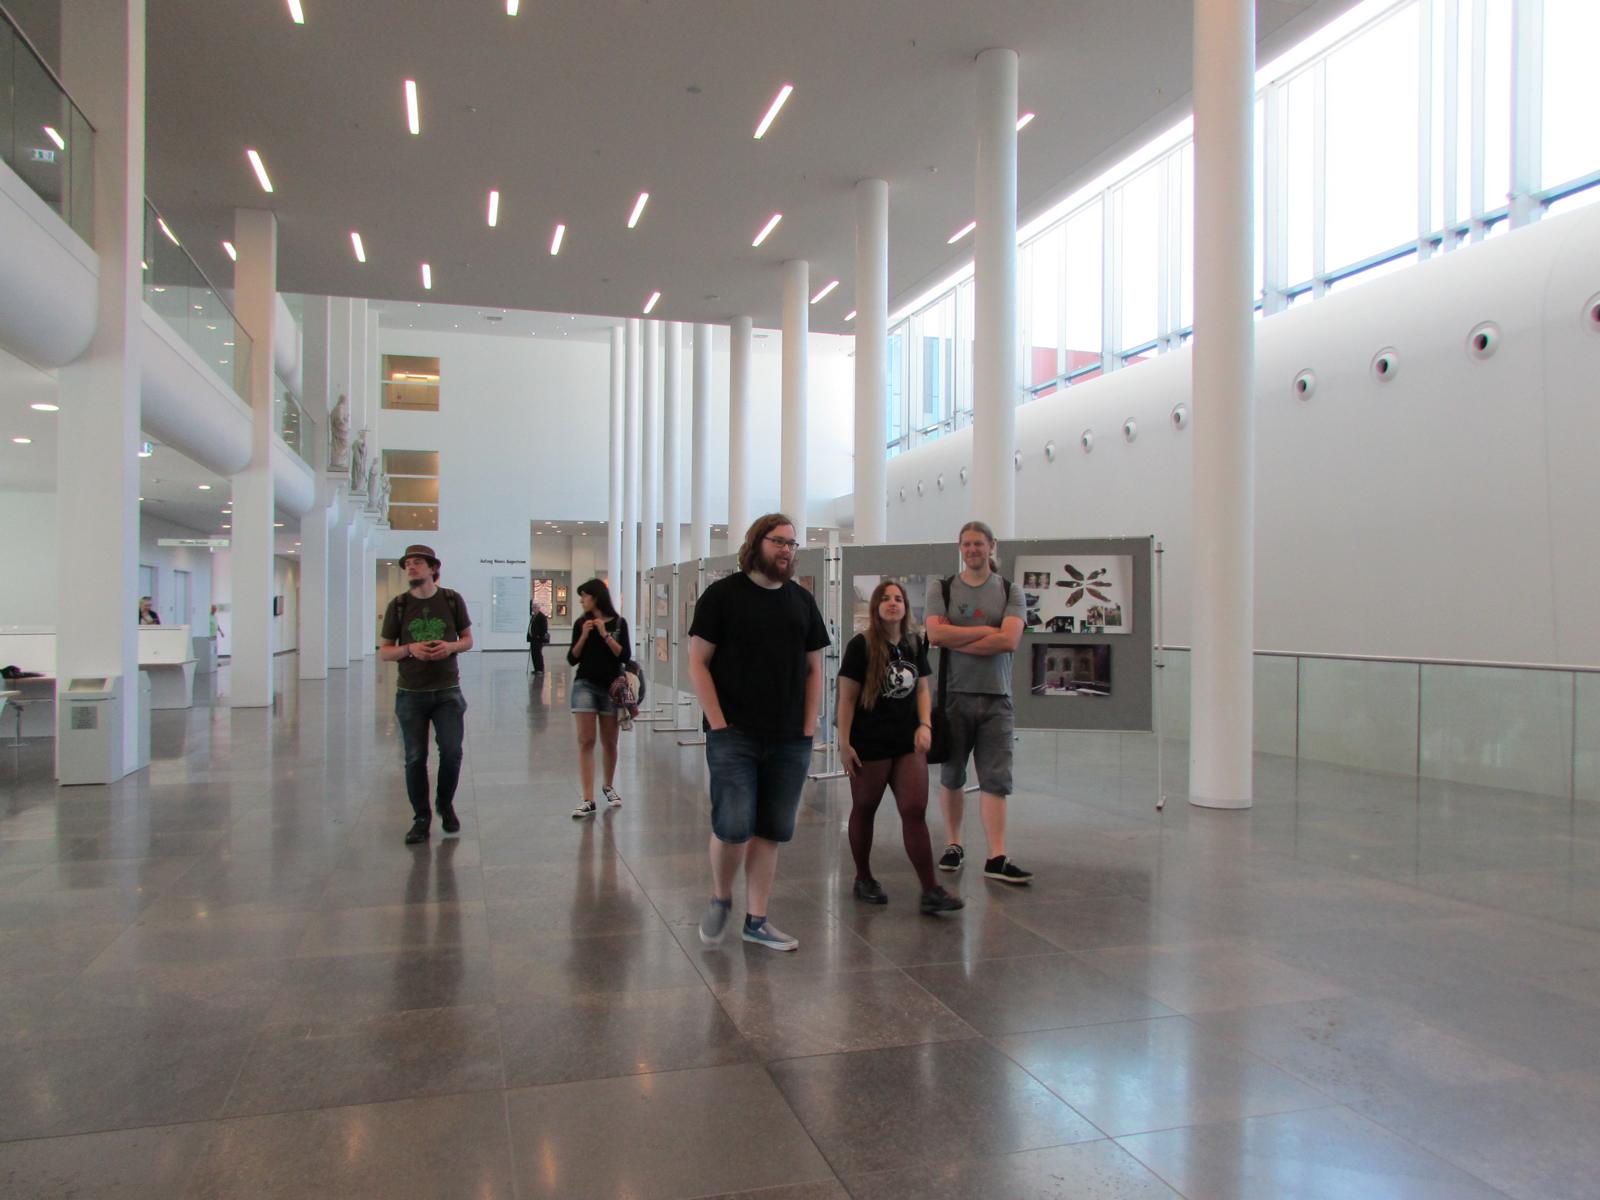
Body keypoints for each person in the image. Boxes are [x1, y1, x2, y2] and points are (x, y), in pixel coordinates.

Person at [688, 513, 829, 952]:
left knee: (770, 829)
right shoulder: (722, 596)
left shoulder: (801, 601)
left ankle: (757, 919)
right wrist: (719, 723)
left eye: (792, 544)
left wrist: (808, 727)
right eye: (779, 541)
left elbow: (814, 669)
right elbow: (697, 662)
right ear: (757, 542)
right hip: (736, 734)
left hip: (790, 737)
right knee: (733, 826)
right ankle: (721, 898)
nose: (787, 550)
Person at [837, 579, 964, 915]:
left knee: (914, 810)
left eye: (898, 599)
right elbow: (847, 698)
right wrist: (844, 743)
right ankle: (863, 877)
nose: (893, 603)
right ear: (876, 606)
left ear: (906, 607)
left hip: (906, 742)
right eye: (886, 599)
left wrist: (925, 725)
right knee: (864, 807)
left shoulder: (912, 643)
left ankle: (930, 889)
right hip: (870, 742)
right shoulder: (859, 646)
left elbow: (923, 688)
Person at [924, 520, 1032, 884]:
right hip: (953, 695)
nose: (972, 550)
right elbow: (935, 633)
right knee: (952, 775)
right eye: (967, 544)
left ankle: (996, 855)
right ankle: (953, 844)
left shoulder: (1010, 590)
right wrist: (987, 631)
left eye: (979, 544)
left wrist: (959, 638)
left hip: (997, 699)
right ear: (960, 547)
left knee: (995, 780)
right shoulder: (942, 588)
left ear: (991, 546)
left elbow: (1009, 641)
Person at [378, 544, 473, 845]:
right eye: (407, 563)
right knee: (415, 757)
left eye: (417, 562)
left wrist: (450, 647)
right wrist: (409, 649)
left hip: (447, 691)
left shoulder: (451, 599)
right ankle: (421, 817)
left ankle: (445, 803)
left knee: (452, 751)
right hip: (411, 693)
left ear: (433, 568)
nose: (411, 567)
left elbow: (468, 639)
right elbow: (385, 651)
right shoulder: (398, 605)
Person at [567, 579, 630, 818]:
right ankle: (588, 798)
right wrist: (583, 636)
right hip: (584, 685)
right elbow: (572, 659)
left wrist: (605, 635)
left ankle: (608, 786)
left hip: (611, 688)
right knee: (586, 740)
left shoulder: (619, 623)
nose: (582, 601)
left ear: (596, 597)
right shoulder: (580, 623)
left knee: (610, 741)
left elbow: (623, 655)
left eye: (584, 596)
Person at [526, 602, 549, 674]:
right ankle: (536, 669)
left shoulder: (542, 617)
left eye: (535, 607)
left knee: (538, 654)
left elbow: (544, 628)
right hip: (533, 638)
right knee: (534, 654)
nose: (533, 609)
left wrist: (539, 635)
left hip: (538, 639)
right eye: (533, 607)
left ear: (538, 608)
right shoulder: (533, 616)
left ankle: (540, 669)